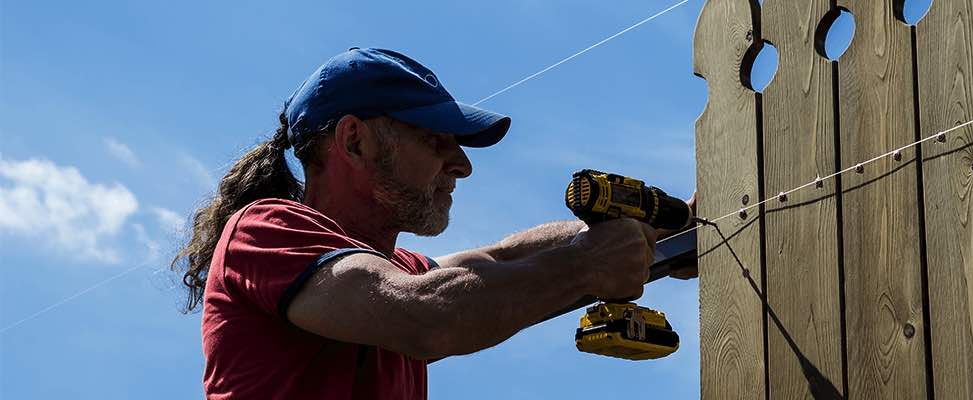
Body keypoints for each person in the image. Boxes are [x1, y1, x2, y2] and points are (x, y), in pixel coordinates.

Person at [171, 47, 697, 400]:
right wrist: (586, 265)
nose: (461, 164)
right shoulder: (265, 231)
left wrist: (655, 235)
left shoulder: (395, 270)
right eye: (434, 139)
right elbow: (428, 315)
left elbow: (503, 259)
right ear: (355, 141)